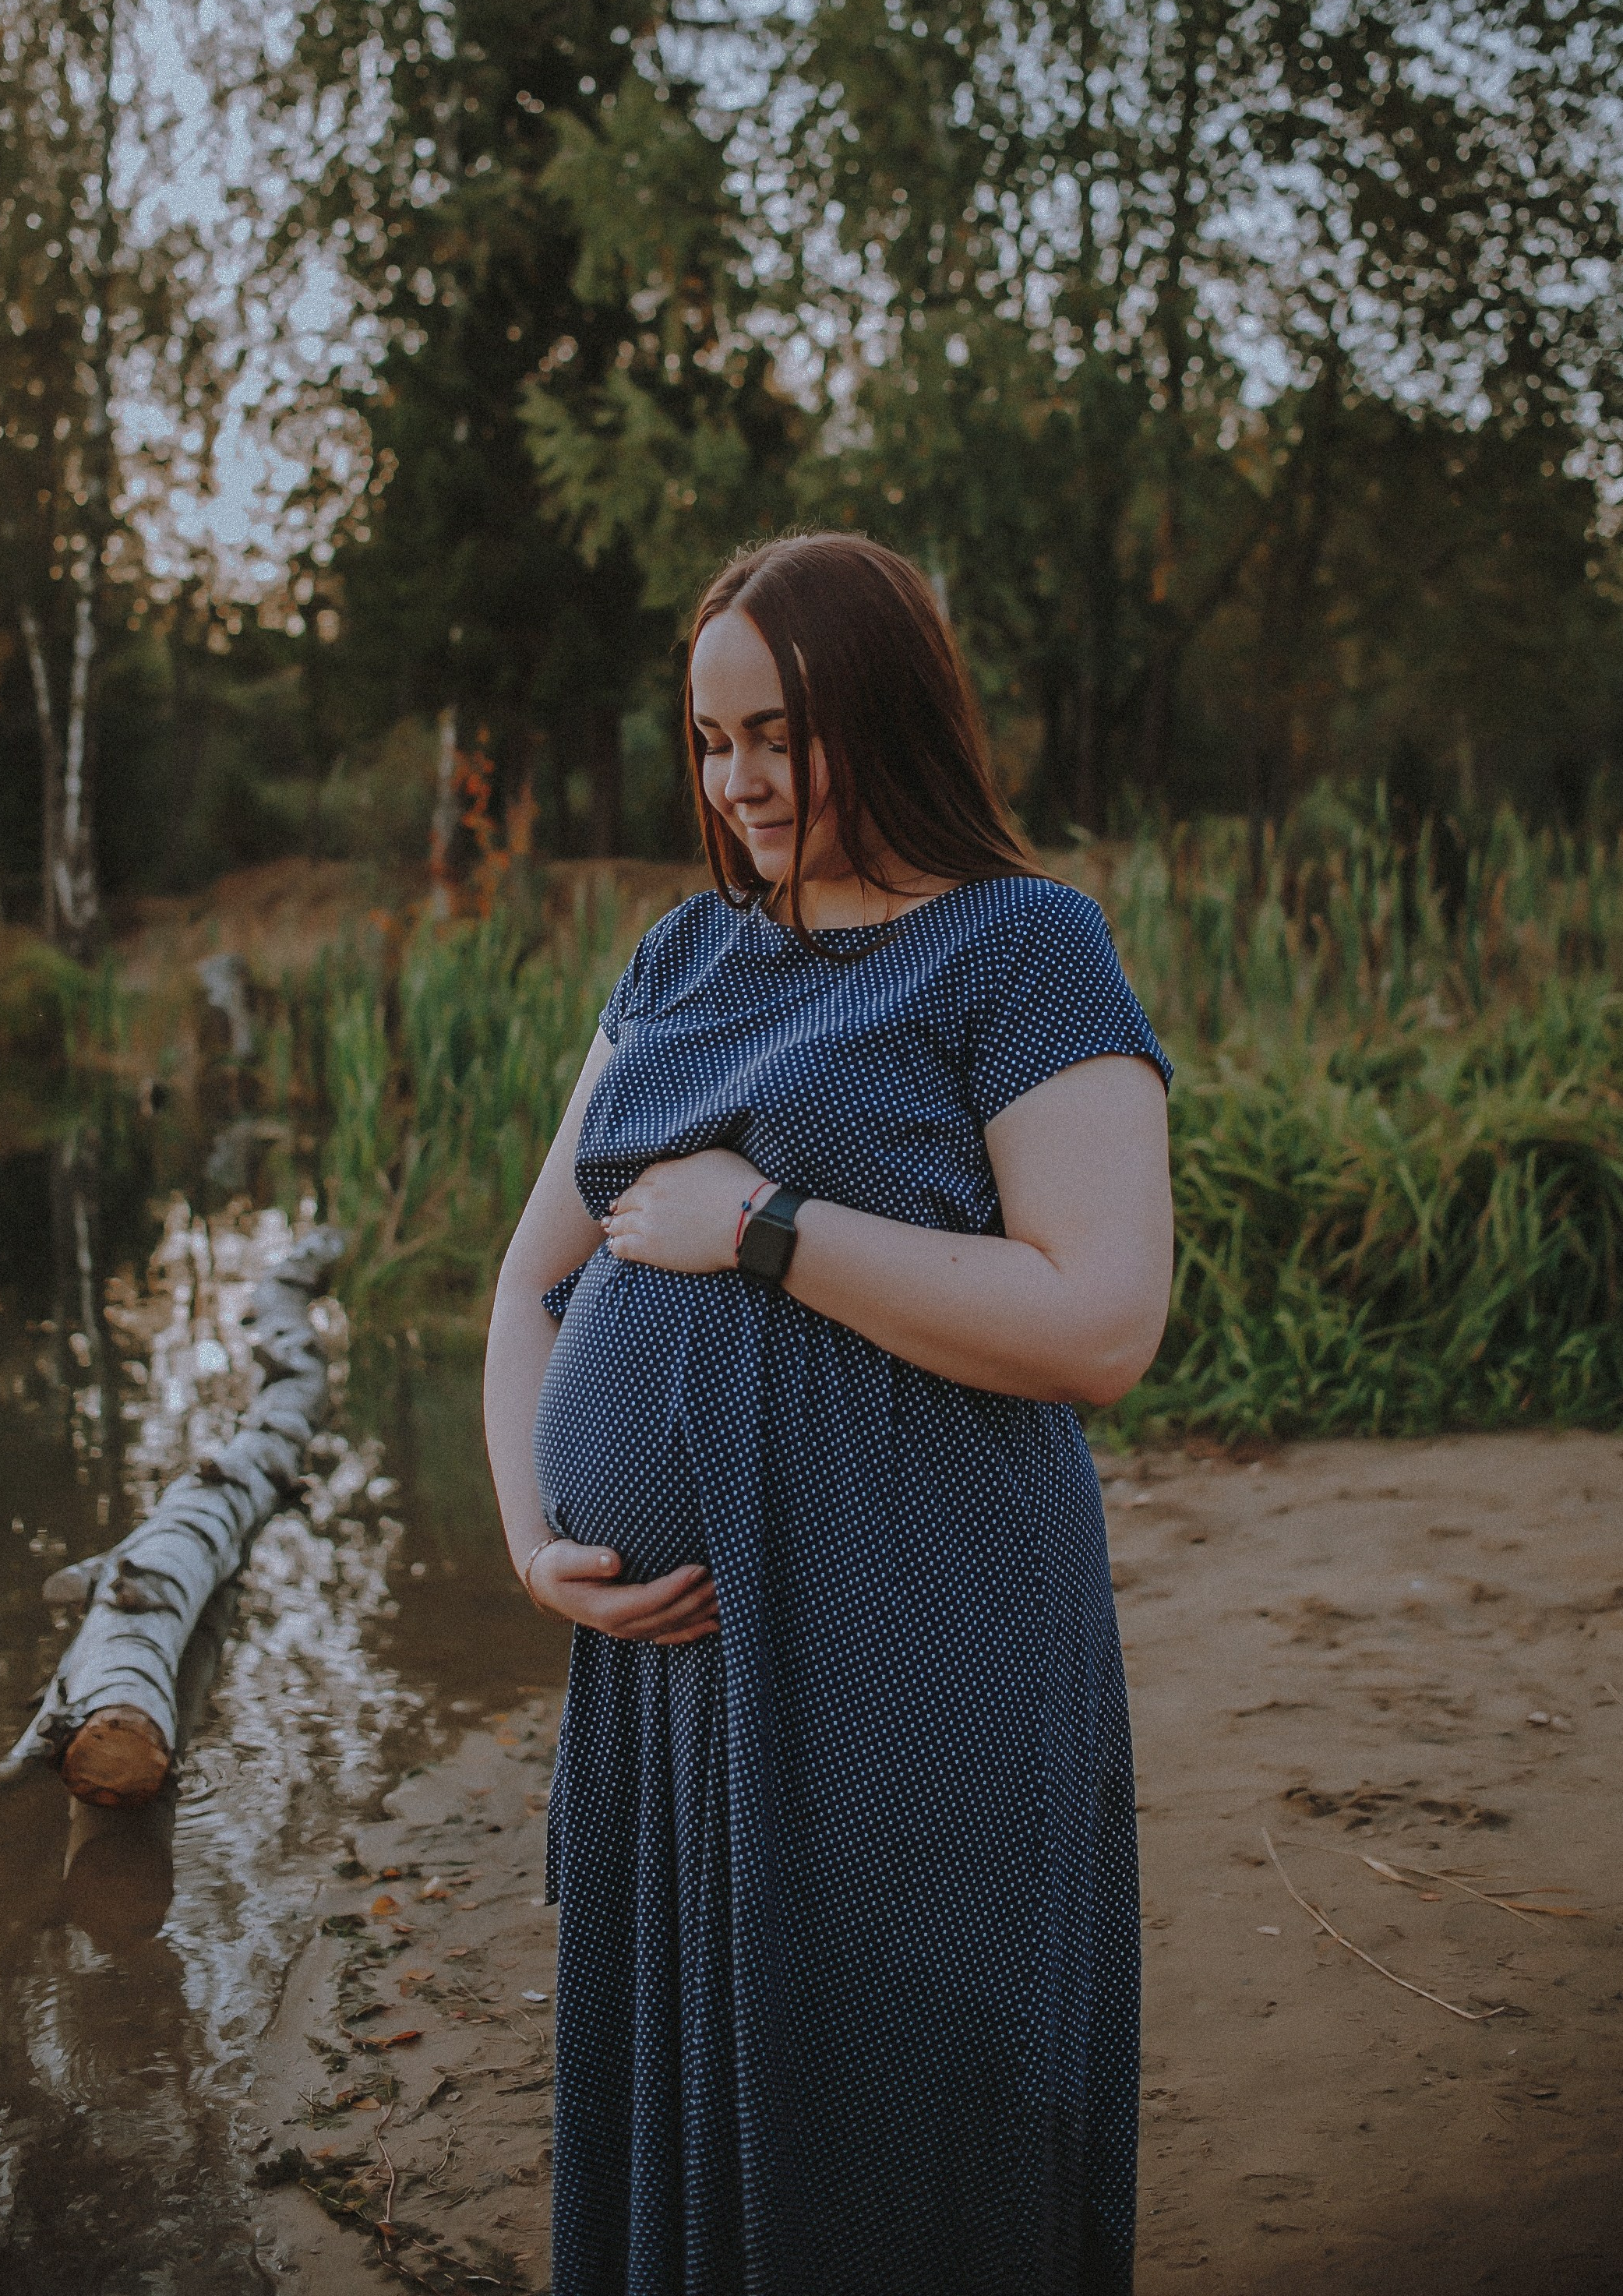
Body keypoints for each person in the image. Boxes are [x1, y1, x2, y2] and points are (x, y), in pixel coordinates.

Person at [484, 532, 1174, 2296]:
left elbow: (1100, 1317)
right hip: (677, 1670)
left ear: (878, 705)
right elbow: (528, 1284)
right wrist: (528, 1537)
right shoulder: (677, 955)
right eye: (710, 741)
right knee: (701, 2115)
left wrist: (768, 1230)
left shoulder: (1020, 947)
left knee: (902, 2107)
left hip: (914, 1642)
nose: (739, 780)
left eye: (775, 731)